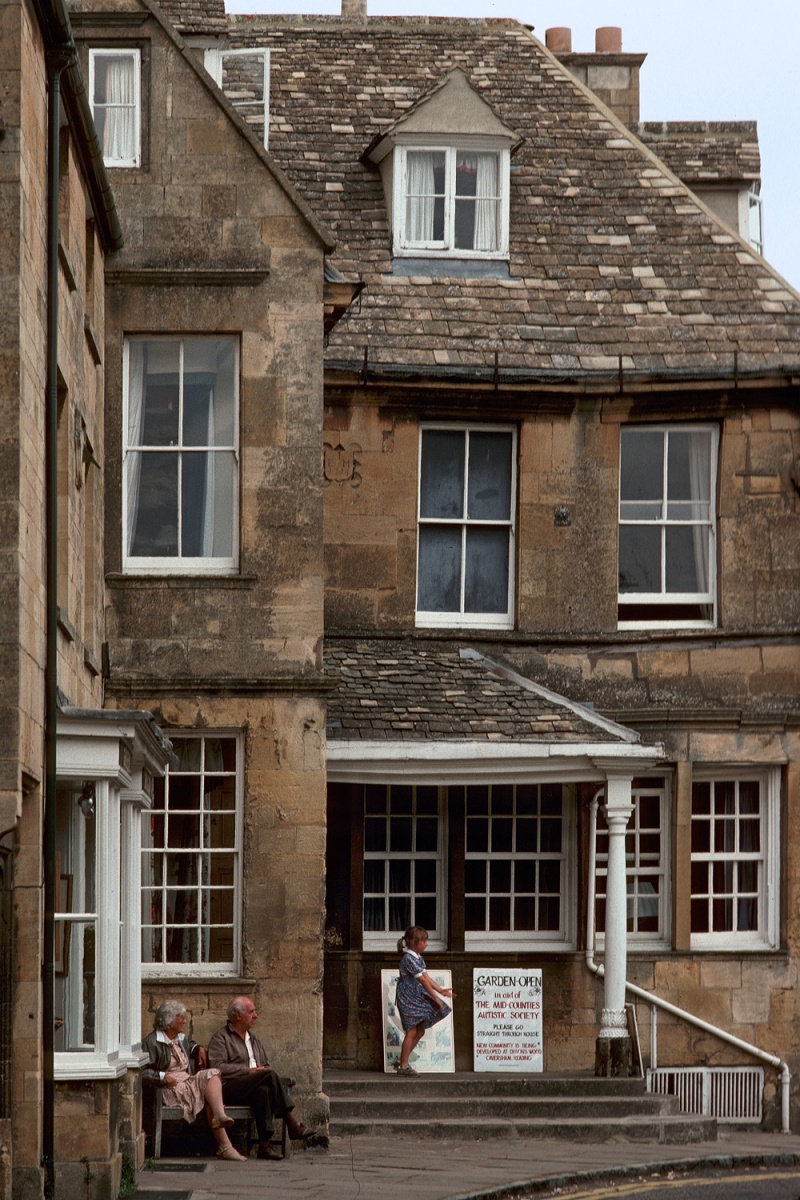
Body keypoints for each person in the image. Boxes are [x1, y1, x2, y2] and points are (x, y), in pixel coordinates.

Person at [207, 996, 317, 1160]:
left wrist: (259, 1072)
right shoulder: (221, 1038)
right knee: (269, 1075)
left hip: (253, 1087)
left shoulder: (254, 1039)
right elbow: (217, 1068)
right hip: (229, 1088)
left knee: (264, 1091)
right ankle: (292, 1124)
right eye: (251, 1012)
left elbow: (265, 1065)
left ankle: (264, 1146)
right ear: (238, 1015)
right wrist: (248, 1071)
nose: (256, 1016)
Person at [142, 999, 246, 1161]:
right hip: (170, 1089)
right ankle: (225, 1146)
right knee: (208, 1095)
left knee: (212, 1073)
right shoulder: (152, 1042)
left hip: (187, 1082)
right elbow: (142, 1072)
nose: (184, 1021)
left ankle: (220, 1117)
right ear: (169, 1021)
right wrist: (163, 1077)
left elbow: (190, 1045)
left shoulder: (180, 1038)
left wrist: (199, 1048)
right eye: (181, 1018)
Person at [394, 925, 454, 1076]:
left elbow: (426, 977)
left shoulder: (418, 957)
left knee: (419, 1030)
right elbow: (423, 982)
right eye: (424, 941)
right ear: (414, 941)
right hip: (407, 997)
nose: (426, 944)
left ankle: (403, 1060)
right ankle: (403, 1066)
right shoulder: (408, 959)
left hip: (415, 995)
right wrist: (436, 998)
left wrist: (441, 991)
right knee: (412, 1030)